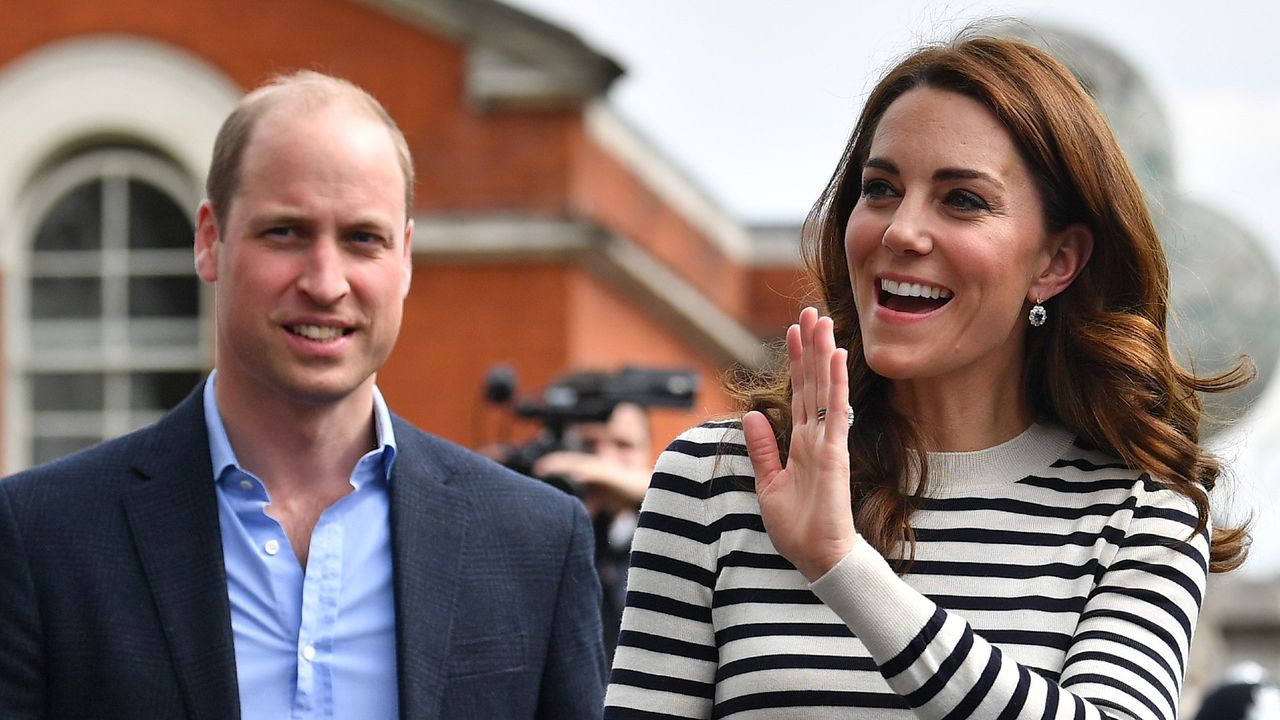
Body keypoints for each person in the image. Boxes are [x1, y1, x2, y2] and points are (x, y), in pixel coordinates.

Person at [604, 32, 1250, 720]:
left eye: (962, 200)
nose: (901, 230)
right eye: (880, 189)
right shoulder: (718, 480)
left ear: (1055, 261)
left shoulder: (1141, 513)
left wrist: (844, 569)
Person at [0, 71, 605, 720]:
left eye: (361, 239)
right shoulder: (43, 535)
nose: (325, 282)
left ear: (404, 258)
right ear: (210, 240)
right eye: (286, 232)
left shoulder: (535, 542)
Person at [534, 402, 654, 659]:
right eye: (590, 446)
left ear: (649, 451)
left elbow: (671, 490)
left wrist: (595, 473)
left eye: (623, 445)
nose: (605, 459)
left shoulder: (662, 521)